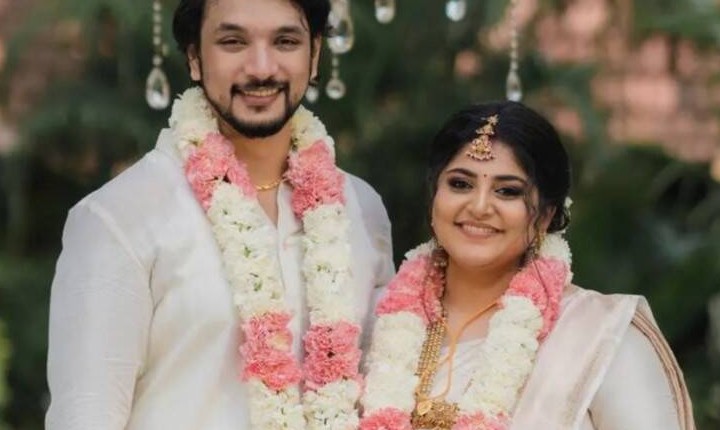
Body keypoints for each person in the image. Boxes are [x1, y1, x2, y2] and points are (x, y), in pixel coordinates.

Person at [45, 0, 394, 429]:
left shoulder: (361, 210)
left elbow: (385, 396)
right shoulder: (119, 218)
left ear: (315, 53)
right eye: (233, 42)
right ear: (194, 57)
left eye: (286, 41)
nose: (262, 68)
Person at [359, 101, 695, 429]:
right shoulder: (372, 323)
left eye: (507, 191)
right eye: (460, 184)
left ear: (546, 215)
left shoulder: (600, 336)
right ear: (434, 196)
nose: (479, 206)